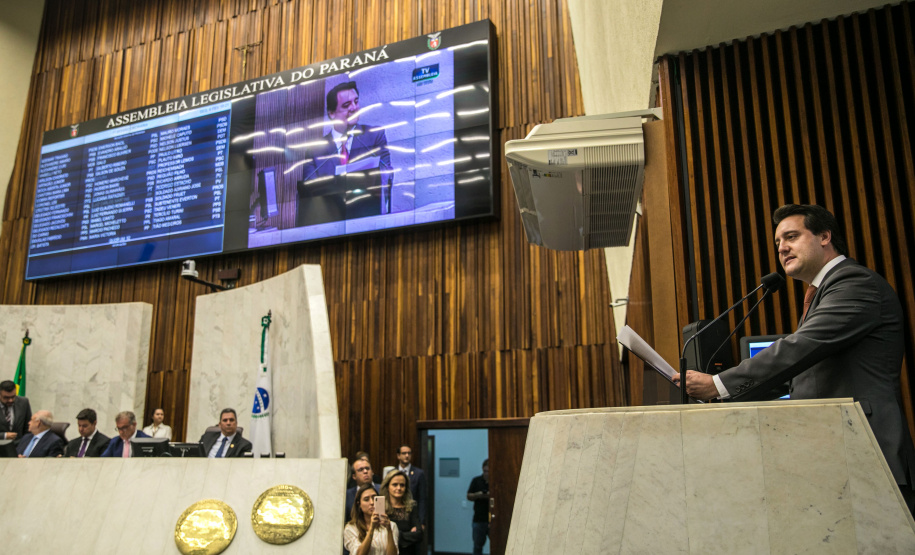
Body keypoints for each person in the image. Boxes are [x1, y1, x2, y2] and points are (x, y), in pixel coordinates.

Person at [674, 204, 915, 511]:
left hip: (867, 450)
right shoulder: (824, 293)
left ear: (825, 236)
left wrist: (719, 383)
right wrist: (719, 400)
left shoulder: (855, 283)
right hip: (836, 453)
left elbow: (800, 347)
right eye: (778, 243)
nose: (782, 248)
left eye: (791, 236)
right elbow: (797, 376)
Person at [296, 81, 393, 226]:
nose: (354, 108)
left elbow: (388, 173)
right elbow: (311, 191)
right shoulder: (314, 151)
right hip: (329, 226)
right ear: (331, 113)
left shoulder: (374, 136)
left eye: (356, 102)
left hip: (369, 221)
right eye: (346, 105)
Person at [343, 483, 398, 555]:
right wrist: (372, 528)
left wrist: (389, 530)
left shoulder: (391, 525)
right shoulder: (350, 528)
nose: (372, 502)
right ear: (359, 504)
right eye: (366, 499)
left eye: (374, 498)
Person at [380, 470, 423, 555]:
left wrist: (394, 535)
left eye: (402, 485)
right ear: (387, 486)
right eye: (395, 485)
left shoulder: (412, 506)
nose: (399, 488)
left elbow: (419, 534)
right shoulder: (381, 507)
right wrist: (408, 535)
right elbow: (381, 536)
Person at [395, 445, 427, 525]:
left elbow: (422, 498)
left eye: (409, 453)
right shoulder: (392, 473)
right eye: (404, 453)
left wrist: (421, 521)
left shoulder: (418, 473)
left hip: (413, 515)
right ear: (398, 456)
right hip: (395, 514)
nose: (407, 455)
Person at [466, 459, 490, 555]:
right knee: (477, 546)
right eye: (485, 471)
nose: (486, 474)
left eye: (488, 471)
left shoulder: (496, 481)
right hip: (478, 519)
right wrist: (478, 495)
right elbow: (469, 496)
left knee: (497, 545)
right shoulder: (476, 481)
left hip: (492, 519)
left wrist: (490, 495)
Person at [0, 379, 31, 448]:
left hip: (19, 447)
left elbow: (28, 428)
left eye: (13, 397)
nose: (10, 400)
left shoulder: (24, 402)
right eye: (6, 397)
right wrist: (4, 435)